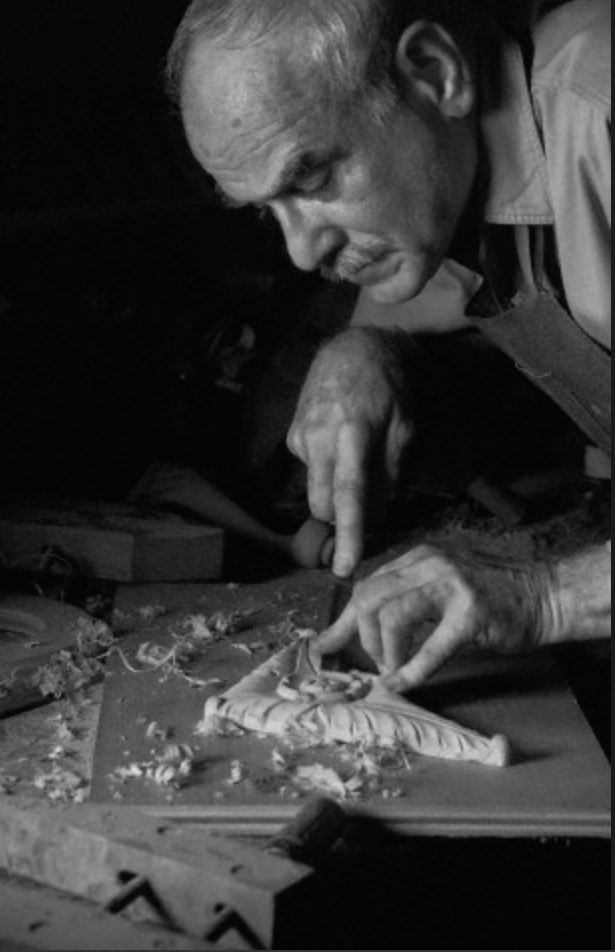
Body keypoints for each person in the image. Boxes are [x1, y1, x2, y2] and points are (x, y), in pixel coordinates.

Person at [166, 0, 611, 691]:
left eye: (313, 180)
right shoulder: (441, 188)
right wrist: (371, 350)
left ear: (436, 73)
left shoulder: (600, 110)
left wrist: (547, 597)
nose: (301, 250)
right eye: (265, 210)